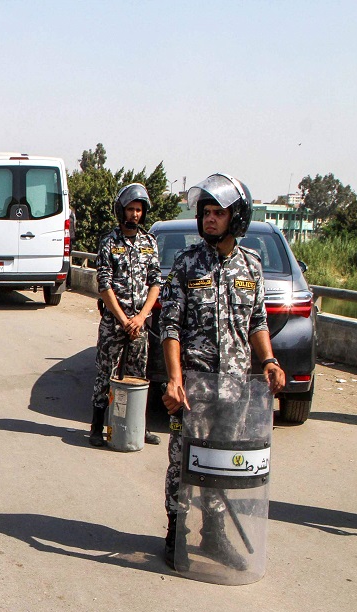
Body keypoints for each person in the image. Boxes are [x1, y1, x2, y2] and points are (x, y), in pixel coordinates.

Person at [159, 173, 285, 571]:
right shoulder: (185, 263)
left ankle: (213, 535)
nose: (210, 219)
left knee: (223, 464)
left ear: (237, 217)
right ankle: (175, 531)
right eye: (206, 212)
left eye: (219, 212)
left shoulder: (252, 265)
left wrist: (268, 361)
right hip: (193, 387)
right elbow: (171, 327)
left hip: (235, 388)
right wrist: (175, 380)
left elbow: (258, 323)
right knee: (183, 460)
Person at [89, 183, 162, 447]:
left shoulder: (149, 243)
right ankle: (97, 427)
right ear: (122, 211)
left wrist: (141, 318)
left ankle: (137, 427)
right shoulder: (109, 242)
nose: (135, 215)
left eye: (139, 210)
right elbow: (104, 284)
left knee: (138, 375)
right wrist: (123, 319)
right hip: (114, 322)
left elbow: (156, 282)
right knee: (105, 374)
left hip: (139, 324)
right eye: (130, 209)